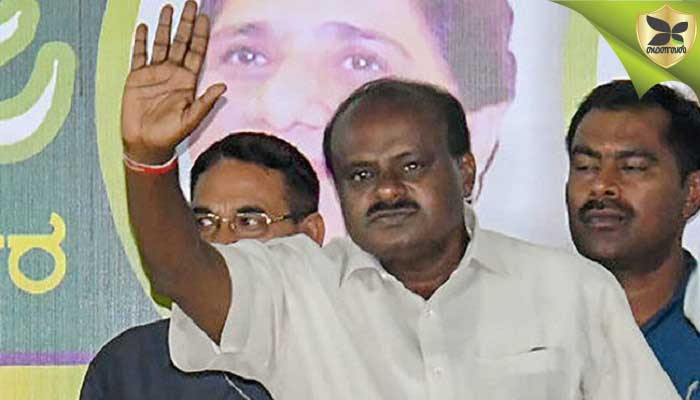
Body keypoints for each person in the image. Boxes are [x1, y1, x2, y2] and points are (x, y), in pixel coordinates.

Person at [122, 3, 680, 399]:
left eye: (411, 167)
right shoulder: (297, 290)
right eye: (361, 175)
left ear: (465, 171)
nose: (386, 190)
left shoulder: (570, 291)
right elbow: (179, 270)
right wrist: (149, 161)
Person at [180, 0, 516, 238]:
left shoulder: (526, 297)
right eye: (246, 56)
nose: (281, 108)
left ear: (478, 130)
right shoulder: (166, 319)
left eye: (360, 62)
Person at [80, 132, 324, 399]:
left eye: (249, 222)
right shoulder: (131, 368)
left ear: (309, 235)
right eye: (204, 222)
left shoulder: (342, 355)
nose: (221, 241)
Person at [565, 80, 700, 399]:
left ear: (691, 193)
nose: (601, 186)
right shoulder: (517, 326)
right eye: (585, 167)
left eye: (632, 168)